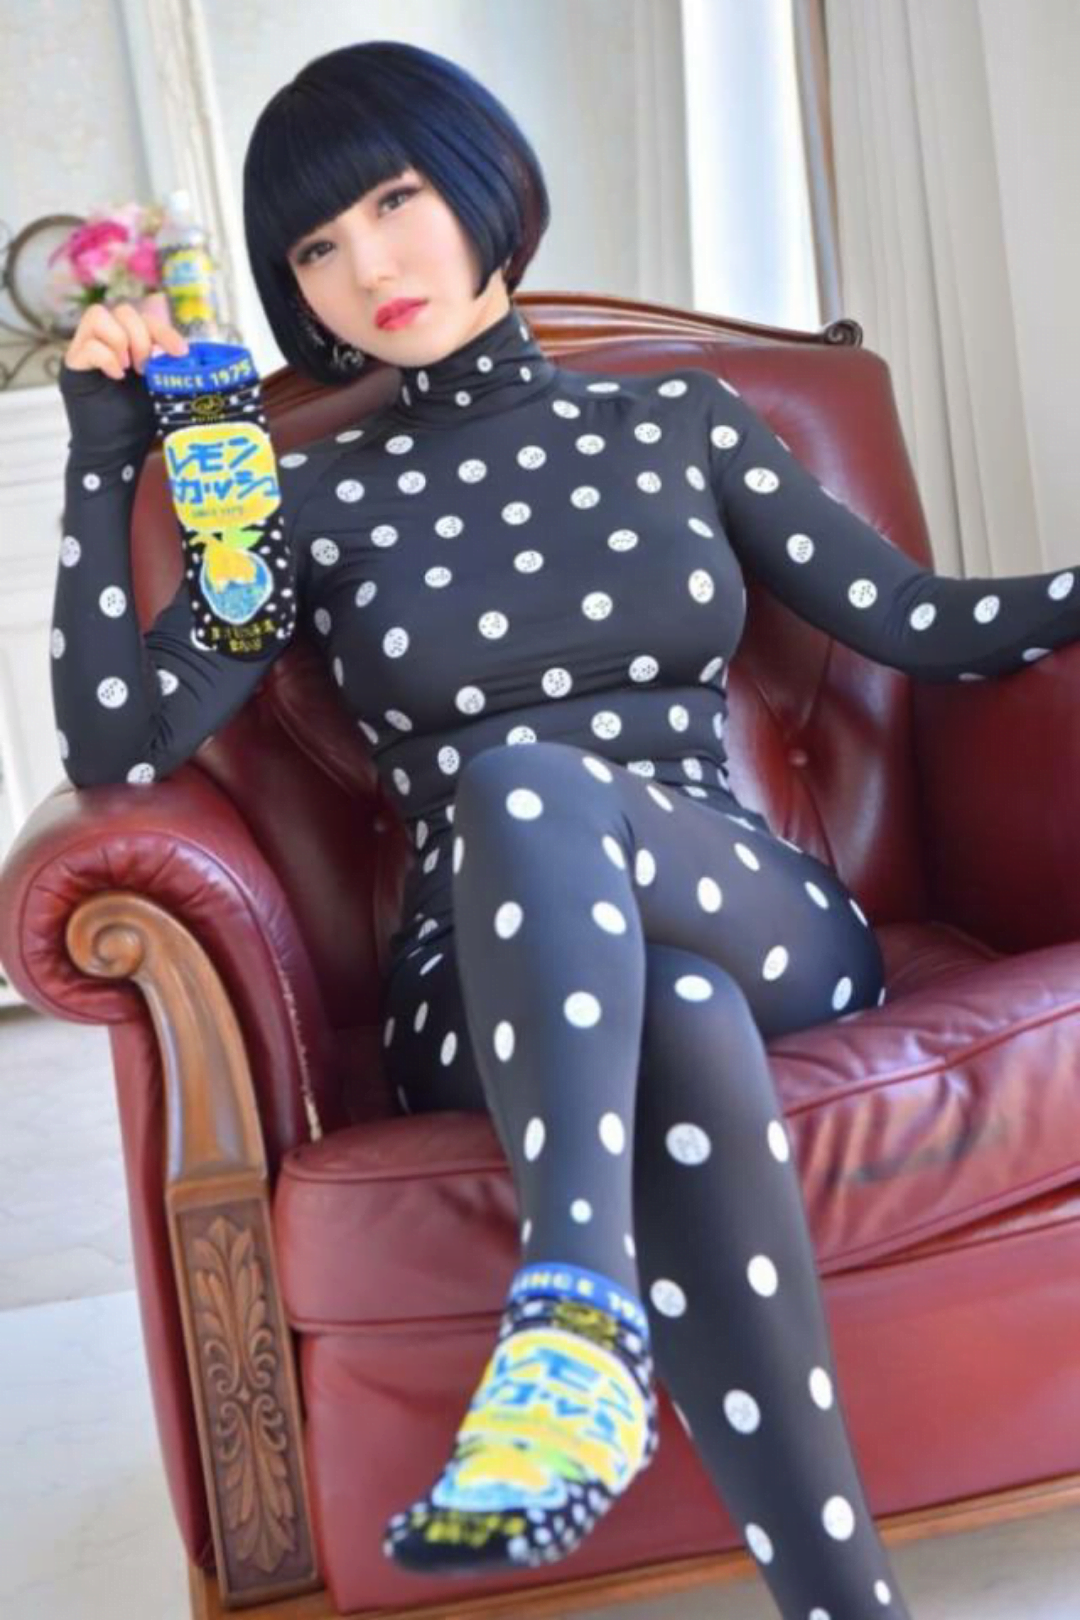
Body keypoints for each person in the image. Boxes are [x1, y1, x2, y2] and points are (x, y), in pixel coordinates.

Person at [52, 38, 1080, 1619]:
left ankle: (574, 1319)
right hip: (481, 988)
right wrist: (103, 460)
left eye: (395, 201)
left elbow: (922, 622)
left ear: (484, 188)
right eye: (316, 247)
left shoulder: (677, 421)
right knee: (670, 1007)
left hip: (754, 909)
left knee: (529, 786)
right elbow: (122, 744)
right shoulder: (299, 505)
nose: (368, 266)